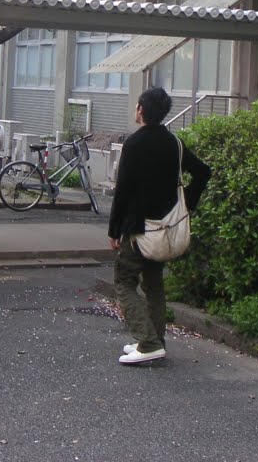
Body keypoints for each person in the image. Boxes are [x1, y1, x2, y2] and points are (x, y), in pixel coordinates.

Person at [108, 86, 211, 365]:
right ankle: (154, 343)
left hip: (139, 228)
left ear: (141, 110)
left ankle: (149, 341)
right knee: (154, 285)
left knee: (124, 281)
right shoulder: (174, 143)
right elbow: (203, 172)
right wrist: (187, 204)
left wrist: (114, 230)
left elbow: (123, 191)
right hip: (165, 228)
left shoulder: (134, 143)